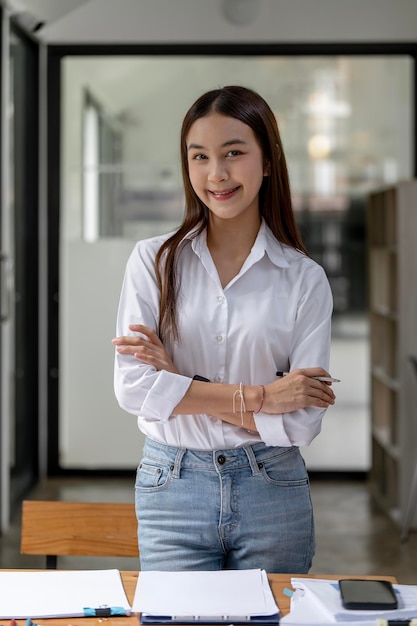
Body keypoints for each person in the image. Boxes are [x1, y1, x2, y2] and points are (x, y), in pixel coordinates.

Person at [112, 85, 336, 573]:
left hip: (272, 488)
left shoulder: (304, 279)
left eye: (234, 153)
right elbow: (134, 389)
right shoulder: (153, 262)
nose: (217, 174)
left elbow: (299, 424)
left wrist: (181, 385)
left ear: (268, 160)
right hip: (173, 485)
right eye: (200, 157)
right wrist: (262, 397)